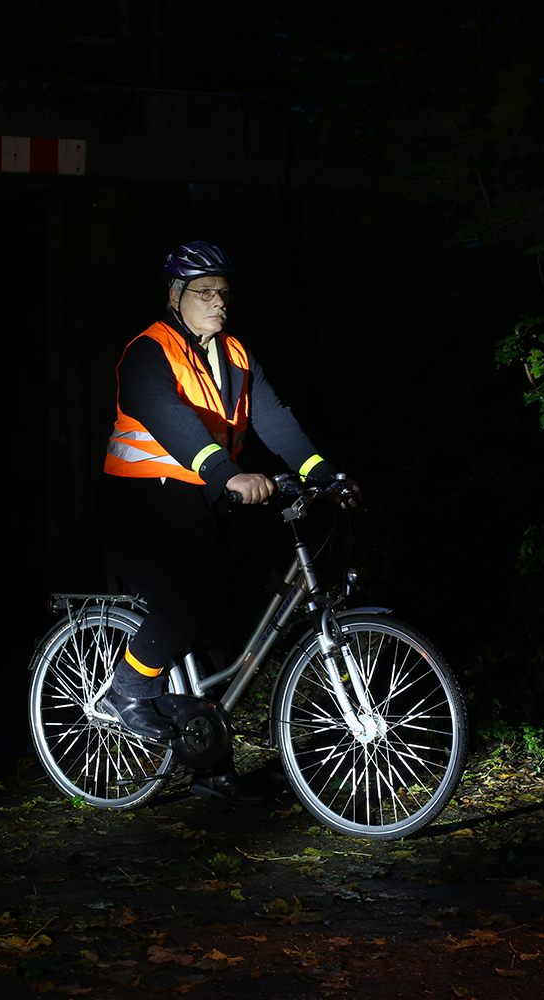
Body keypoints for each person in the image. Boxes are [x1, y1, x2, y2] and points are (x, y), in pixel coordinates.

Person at [100, 240, 357, 805]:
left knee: (220, 633)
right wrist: (228, 474)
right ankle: (130, 682)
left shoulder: (237, 356)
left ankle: (211, 768)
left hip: (203, 499)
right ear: (175, 297)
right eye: (204, 292)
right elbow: (170, 421)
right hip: (146, 500)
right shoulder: (148, 352)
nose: (219, 302)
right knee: (185, 596)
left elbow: (274, 420)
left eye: (224, 293)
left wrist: (325, 474)